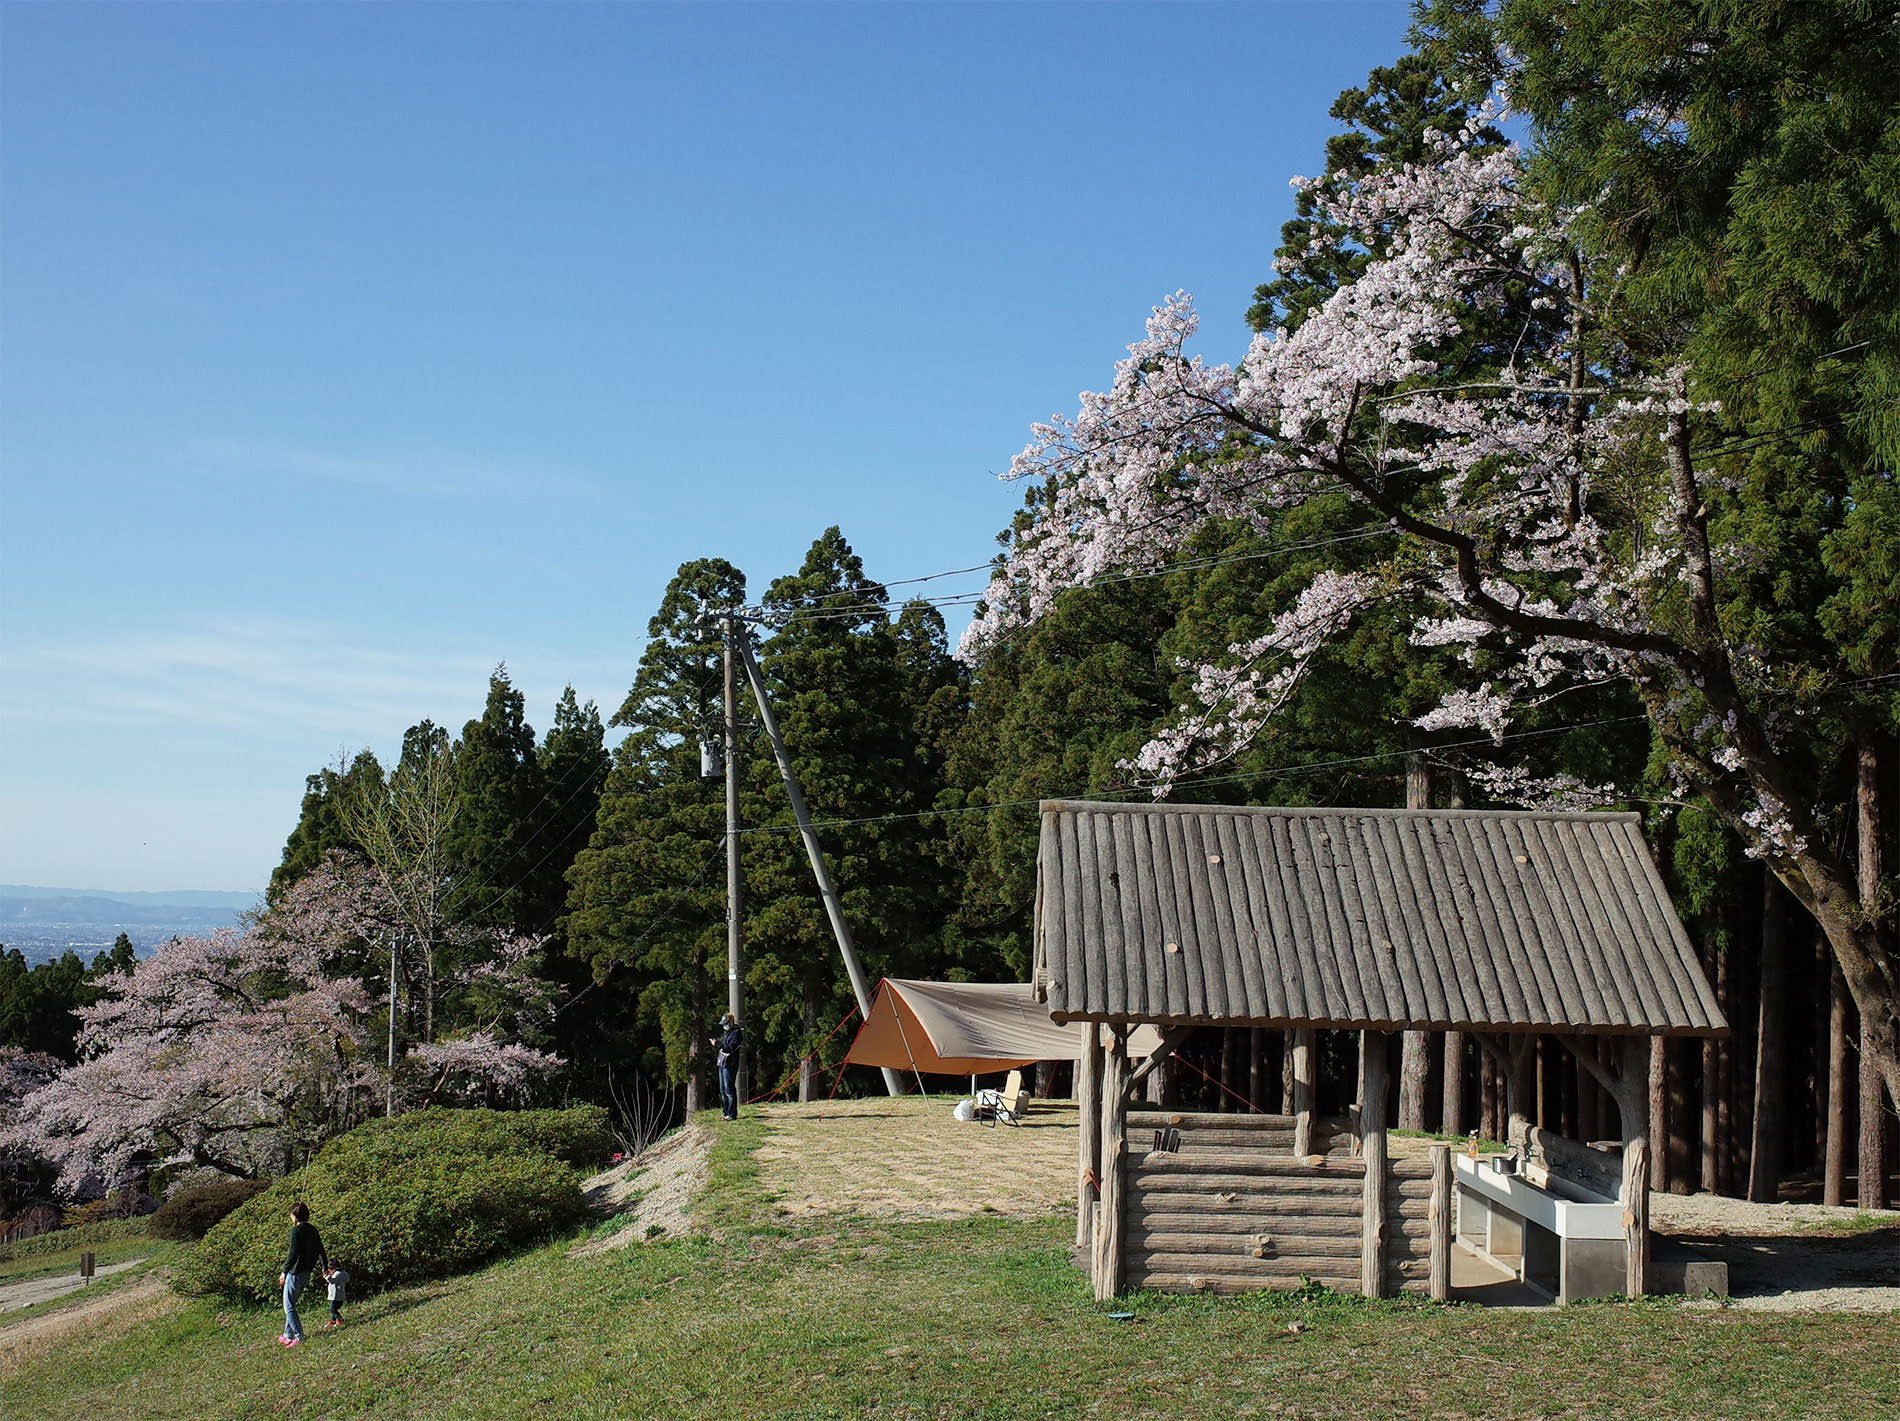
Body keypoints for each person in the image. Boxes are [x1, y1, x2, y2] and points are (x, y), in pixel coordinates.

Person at [277, 1201, 328, 1348]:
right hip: (306, 1273)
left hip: (295, 1273)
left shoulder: (296, 1231)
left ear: (295, 1216)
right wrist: (324, 1266)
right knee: (291, 1303)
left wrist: (284, 1272)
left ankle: (299, 1337)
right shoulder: (313, 1229)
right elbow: (321, 1249)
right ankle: (287, 1335)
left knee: (288, 1306)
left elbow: (293, 1254)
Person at [712, 1012, 743, 1121]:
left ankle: (731, 1114)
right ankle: (725, 1112)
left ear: (731, 1021)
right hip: (722, 1063)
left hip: (730, 1064)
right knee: (723, 1089)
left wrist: (717, 1044)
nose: (724, 1025)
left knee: (729, 1089)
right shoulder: (726, 1032)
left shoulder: (736, 1033)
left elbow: (730, 1047)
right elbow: (723, 1045)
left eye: (726, 1023)